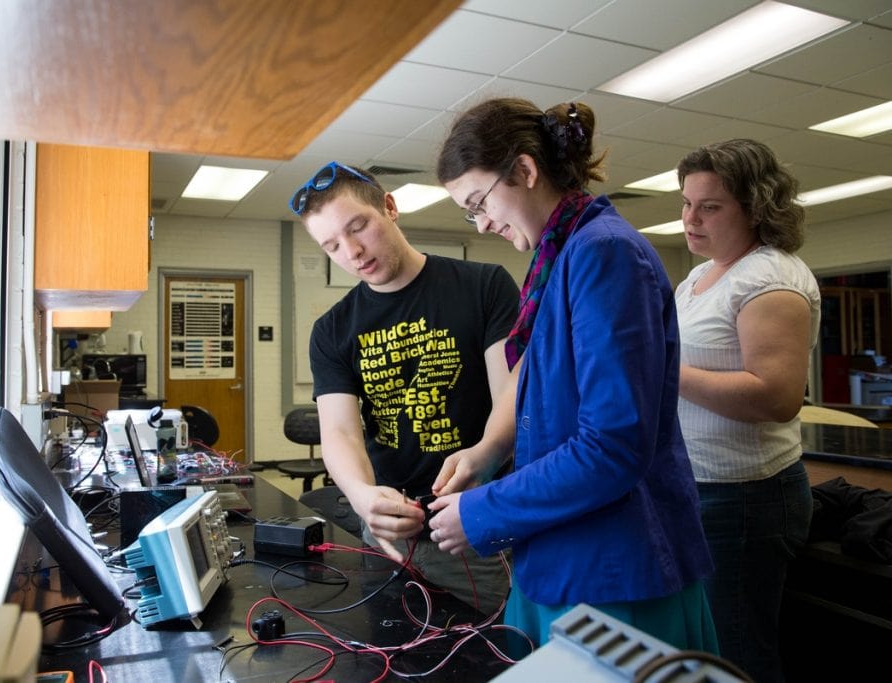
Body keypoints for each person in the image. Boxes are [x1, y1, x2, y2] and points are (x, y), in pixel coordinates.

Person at [429, 98, 718, 652]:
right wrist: (485, 454)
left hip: (612, 572)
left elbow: (612, 447)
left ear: (525, 170)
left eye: (478, 203)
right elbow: (544, 395)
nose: (482, 223)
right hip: (563, 558)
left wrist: (484, 510)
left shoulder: (604, 254)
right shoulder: (560, 259)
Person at [289, 161, 519, 614]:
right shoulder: (332, 330)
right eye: (332, 246)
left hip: (482, 520)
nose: (352, 252)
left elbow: (510, 393)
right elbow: (339, 432)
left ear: (390, 208)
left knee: (505, 650)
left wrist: (486, 454)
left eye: (359, 227)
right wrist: (361, 496)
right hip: (393, 530)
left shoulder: (484, 285)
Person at [674, 138, 820, 682]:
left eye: (710, 206)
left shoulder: (771, 278)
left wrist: (662, 371)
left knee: (736, 655)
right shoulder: (699, 277)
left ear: (757, 207)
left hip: (743, 498)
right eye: (686, 202)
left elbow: (776, 397)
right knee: (709, 647)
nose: (691, 218)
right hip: (700, 489)